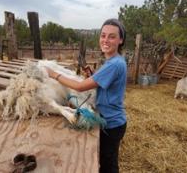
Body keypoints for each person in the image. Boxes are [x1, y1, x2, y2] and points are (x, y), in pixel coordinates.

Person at [46, 18, 127, 173]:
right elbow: (105, 82)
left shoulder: (114, 64)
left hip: (112, 124)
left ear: (121, 40)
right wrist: (93, 75)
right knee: (106, 161)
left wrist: (54, 74)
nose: (106, 40)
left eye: (112, 36)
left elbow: (80, 87)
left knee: (108, 166)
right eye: (103, 35)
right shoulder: (116, 61)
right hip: (112, 120)